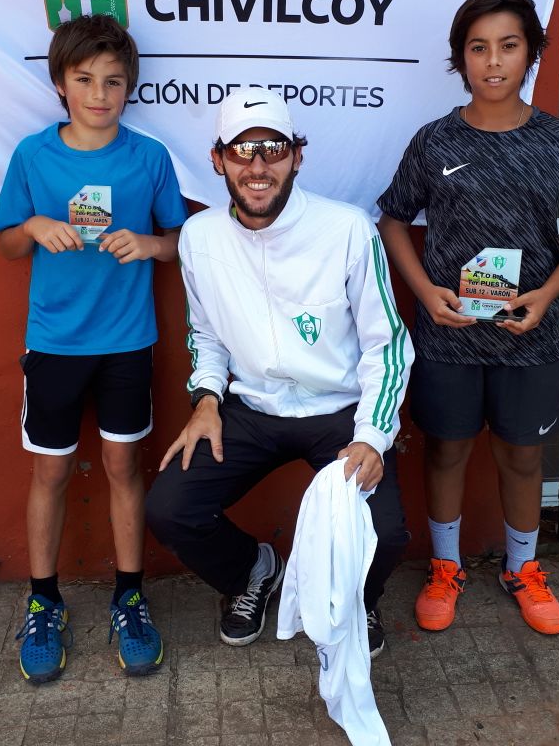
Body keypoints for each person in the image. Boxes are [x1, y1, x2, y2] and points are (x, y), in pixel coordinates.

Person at [376, 0, 559, 636]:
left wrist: (548, 293)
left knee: (523, 458)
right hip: (449, 336)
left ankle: (523, 569)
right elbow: (393, 220)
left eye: (508, 45)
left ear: (531, 53)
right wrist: (426, 291)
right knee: (446, 452)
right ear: (461, 59)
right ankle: (445, 567)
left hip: (528, 336)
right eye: (478, 48)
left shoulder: (554, 140)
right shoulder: (435, 140)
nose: (494, 61)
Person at [146, 87, 413, 657]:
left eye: (273, 148)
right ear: (217, 160)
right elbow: (206, 335)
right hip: (252, 408)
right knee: (170, 510)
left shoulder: (347, 229)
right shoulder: (199, 237)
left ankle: (357, 601)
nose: (258, 166)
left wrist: (371, 437)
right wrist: (206, 399)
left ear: (297, 156)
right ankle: (253, 570)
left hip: (339, 411)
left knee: (387, 534)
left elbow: (386, 344)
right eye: (242, 151)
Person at [0, 13, 187, 683]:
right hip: (54, 343)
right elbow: (5, 242)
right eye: (84, 79)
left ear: (129, 87)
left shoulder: (149, 157)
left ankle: (129, 598)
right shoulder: (32, 155)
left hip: (127, 342)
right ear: (60, 84)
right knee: (50, 472)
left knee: (123, 465)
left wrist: (151, 244)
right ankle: (43, 602)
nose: (99, 94)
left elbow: (180, 241)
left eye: (113, 81)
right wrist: (33, 227)